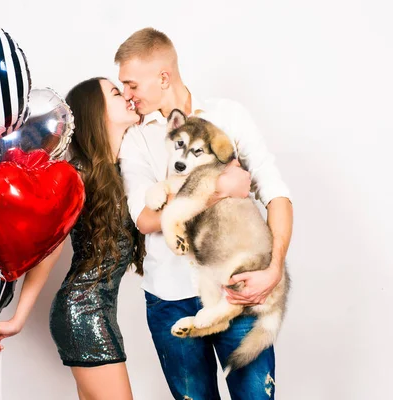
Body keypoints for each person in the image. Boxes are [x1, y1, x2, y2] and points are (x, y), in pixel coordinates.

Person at [116, 28, 293, 400]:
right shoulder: (135, 140)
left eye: (132, 85)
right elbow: (144, 219)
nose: (128, 97)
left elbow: (277, 194)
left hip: (239, 289)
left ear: (163, 77)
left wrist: (274, 269)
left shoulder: (228, 115)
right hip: (169, 299)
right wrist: (218, 190)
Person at [0, 77, 145, 400]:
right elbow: (51, 248)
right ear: (97, 111)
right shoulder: (79, 174)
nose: (126, 96)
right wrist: (19, 318)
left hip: (98, 313)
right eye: (115, 92)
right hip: (84, 313)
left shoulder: (128, 170)